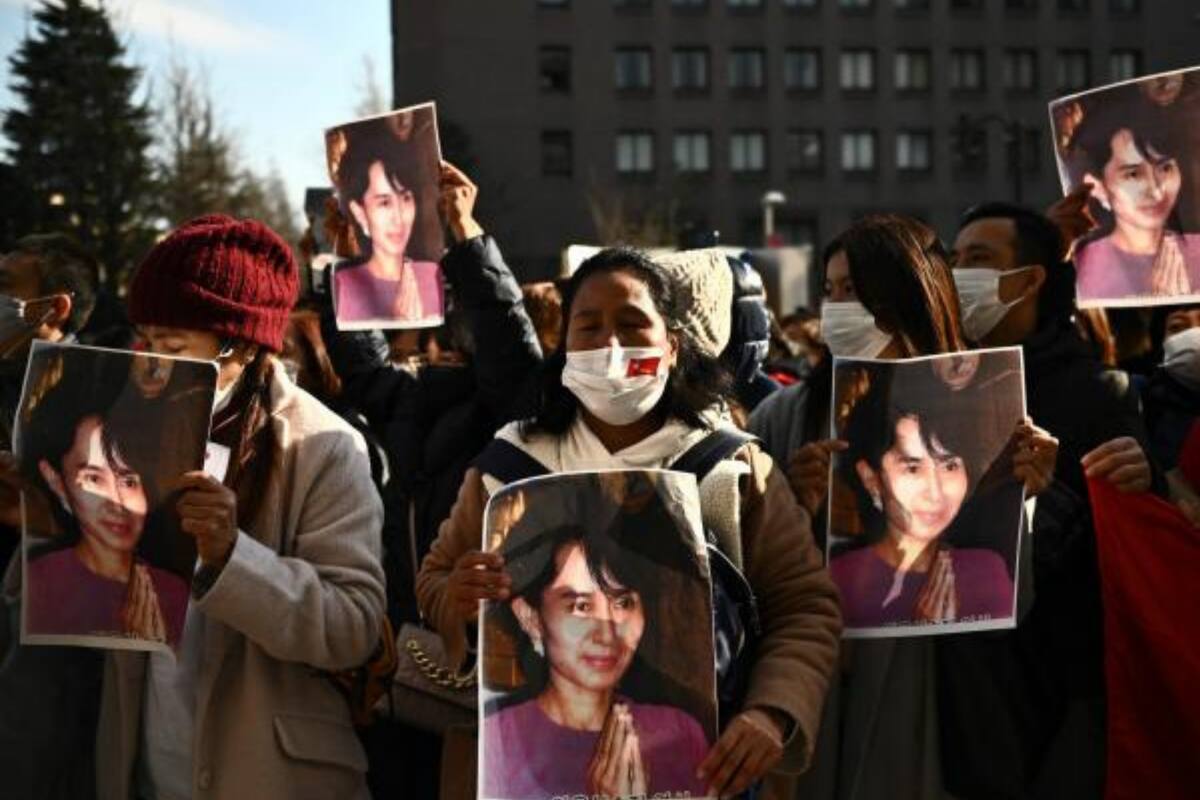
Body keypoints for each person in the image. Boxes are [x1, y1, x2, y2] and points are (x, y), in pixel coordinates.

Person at [418, 246, 841, 800]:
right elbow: (435, 580)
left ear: (673, 345)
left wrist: (772, 712)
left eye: (632, 324)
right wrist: (457, 595)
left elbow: (803, 605)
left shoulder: (731, 470)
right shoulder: (508, 467)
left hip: (703, 774)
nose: (611, 347)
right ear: (564, 346)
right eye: (589, 326)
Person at [750, 215, 1056, 800]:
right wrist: (788, 505)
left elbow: (1017, 601)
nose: (838, 309)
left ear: (906, 298)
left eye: (855, 291)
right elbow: (745, 573)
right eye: (831, 290)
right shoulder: (783, 416)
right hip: (814, 685)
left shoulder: (985, 414)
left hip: (928, 697)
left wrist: (1028, 495)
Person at [91, 214, 385, 800]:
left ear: (242, 347)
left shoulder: (322, 446)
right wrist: (45, 522)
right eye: (146, 341)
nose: (153, 362)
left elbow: (355, 626)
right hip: (150, 765)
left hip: (273, 776)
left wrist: (231, 557)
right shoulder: (118, 428)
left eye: (175, 347)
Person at [319, 161, 541, 798]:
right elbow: (364, 368)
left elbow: (510, 352)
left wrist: (466, 235)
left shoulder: (506, 413)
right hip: (399, 662)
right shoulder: (409, 402)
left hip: (483, 668)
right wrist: (349, 261)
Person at [946, 201, 1161, 798]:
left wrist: (1134, 481)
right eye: (954, 260)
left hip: (1062, 685)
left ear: (1030, 279)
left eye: (979, 259)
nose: (959, 275)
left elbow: (1123, 539)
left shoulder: (1097, 393)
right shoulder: (934, 382)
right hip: (960, 683)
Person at [483, 479, 711, 799]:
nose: (607, 633)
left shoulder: (681, 735)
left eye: (623, 603)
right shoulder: (497, 742)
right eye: (580, 606)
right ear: (530, 617)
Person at [831, 358, 1020, 630]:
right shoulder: (837, 582)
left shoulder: (988, 572)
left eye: (950, 466)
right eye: (912, 468)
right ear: (871, 479)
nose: (935, 492)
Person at [20, 349, 190, 645]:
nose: (116, 502)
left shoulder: (176, 593)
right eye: (94, 478)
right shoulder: (35, 585)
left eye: (129, 481)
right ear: (56, 481)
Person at [1069, 95, 1200, 301]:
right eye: (1133, 174)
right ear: (1098, 187)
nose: (1157, 191)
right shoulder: (1080, 268)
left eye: (1165, 168)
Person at [331, 116, 443, 326]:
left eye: (406, 198)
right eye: (384, 202)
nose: (399, 217)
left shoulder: (433, 275)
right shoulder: (343, 288)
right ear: (359, 212)